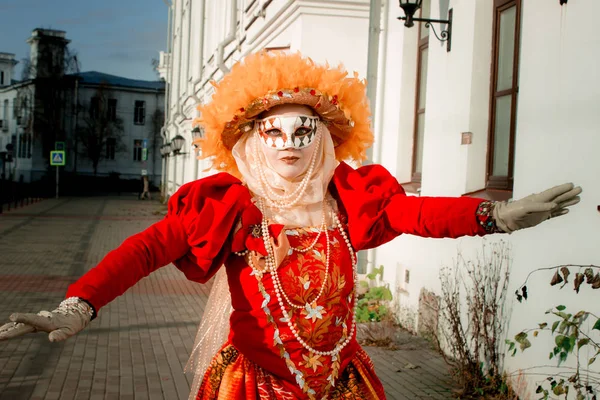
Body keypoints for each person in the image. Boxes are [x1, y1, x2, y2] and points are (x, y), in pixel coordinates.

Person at [0, 52, 582, 400]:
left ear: (324, 138)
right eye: (273, 133)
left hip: (342, 383)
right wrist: (79, 304)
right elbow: (147, 248)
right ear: (253, 141)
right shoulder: (227, 206)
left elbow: (417, 213)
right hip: (253, 387)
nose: (288, 145)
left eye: (303, 131)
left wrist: (495, 216)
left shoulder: (350, 198)